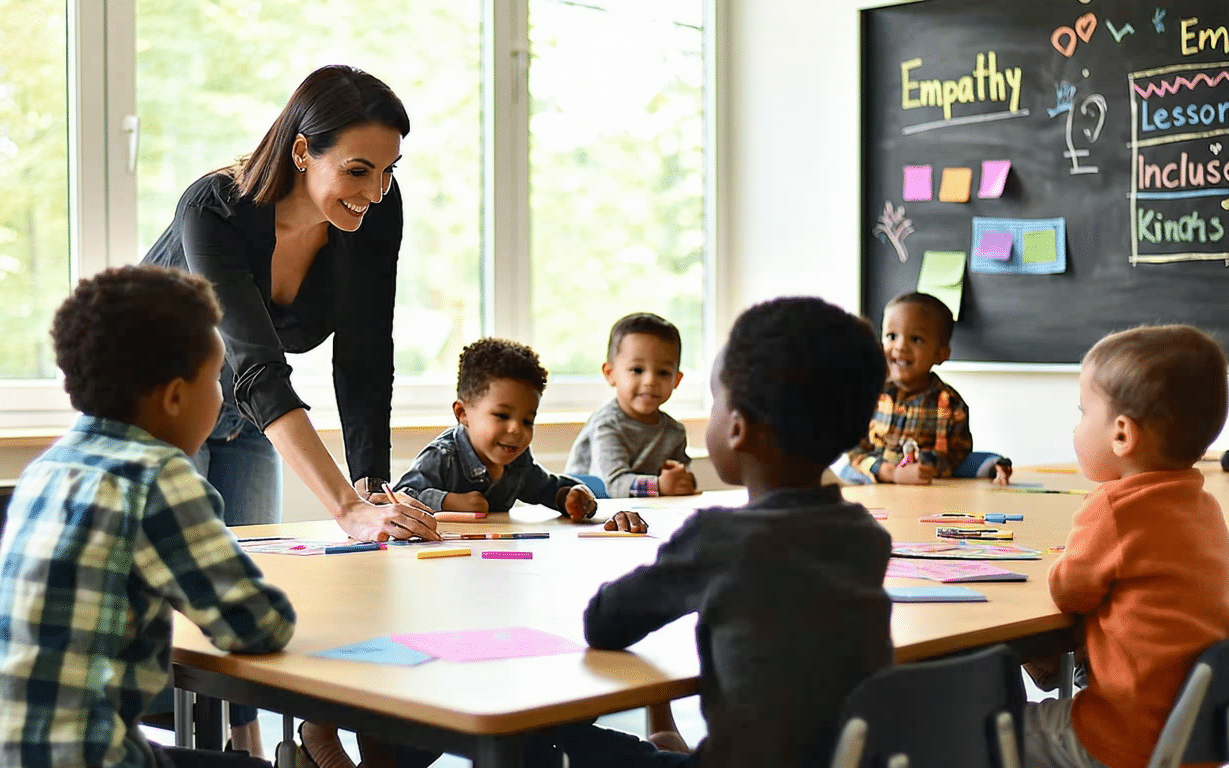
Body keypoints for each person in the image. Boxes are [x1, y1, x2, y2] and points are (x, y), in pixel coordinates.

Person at [141, 64, 436, 751]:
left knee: (240, 601)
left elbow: (365, 356)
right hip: (159, 416)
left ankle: (249, 751)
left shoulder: (375, 215)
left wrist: (372, 491)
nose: (377, 191)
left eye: (390, 171)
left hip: (245, 416)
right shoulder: (214, 206)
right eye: (359, 170)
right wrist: (343, 508)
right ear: (303, 151)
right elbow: (257, 365)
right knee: (170, 616)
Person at [527, 297, 894, 767]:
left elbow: (603, 621)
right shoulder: (864, 534)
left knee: (542, 729)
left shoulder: (720, 538)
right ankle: (668, 739)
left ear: (737, 429)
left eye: (716, 400)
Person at [0, 266, 296, 768]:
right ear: (176, 396)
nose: (222, 398)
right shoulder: (157, 476)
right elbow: (253, 625)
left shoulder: (47, 469)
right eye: (216, 382)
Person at [1021, 324, 1229, 768]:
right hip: (1193, 739)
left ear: (1121, 435)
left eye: (1082, 413)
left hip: (1120, 739)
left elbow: (1068, 591)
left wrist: (1066, 559)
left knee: (989, 725)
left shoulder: (1115, 509)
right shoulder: (1204, 507)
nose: (1077, 427)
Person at [394, 338, 644, 529]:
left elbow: (545, 487)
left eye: (527, 420)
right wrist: (447, 501)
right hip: (443, 563)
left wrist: (569, 496)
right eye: (502, 416)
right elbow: (399, 496)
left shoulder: (517, 462)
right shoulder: (443, 456)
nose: (516, 429)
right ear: (463, 413)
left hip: (497, 556)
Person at [843, 291, 1010, 485]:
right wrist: (890, 473)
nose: (900, 347)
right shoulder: (869, 394)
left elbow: (958, 457)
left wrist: (993, 465)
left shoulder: (950, 404)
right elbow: (854, 450)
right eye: (891, 336)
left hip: (925, 496)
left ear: (941, 354)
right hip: (873, 489)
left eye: (915, 339)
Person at [565, 312, 695, 498]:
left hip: (642, 511)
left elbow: (681, 479)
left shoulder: (674, 431)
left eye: (663, 372)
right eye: (637, 370)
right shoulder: (608, 424)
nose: (650, 381)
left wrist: (682, 480)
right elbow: (610, 484)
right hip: (593, 511)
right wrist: (658, 485)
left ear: (677, 379)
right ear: (610, 373)